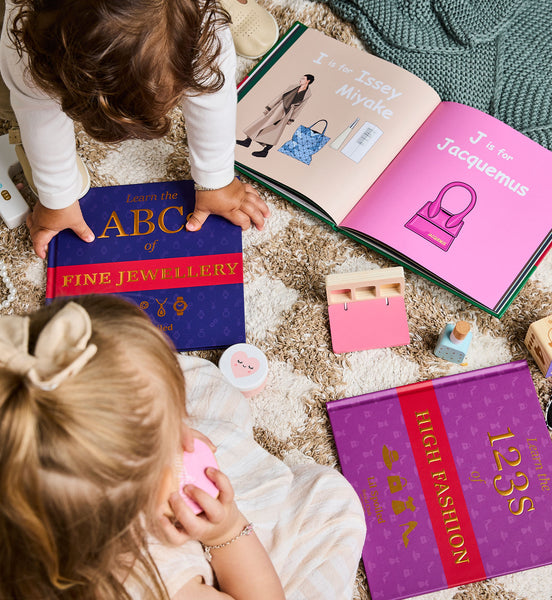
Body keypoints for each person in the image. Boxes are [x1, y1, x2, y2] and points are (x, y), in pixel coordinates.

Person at [0, 294, 366, 599]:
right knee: (334, 505)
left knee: (201, 383)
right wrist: (226, 532)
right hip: (225, 552)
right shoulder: (157, 581)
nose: (187, 437)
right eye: (171, 439)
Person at [0, 0, 270, 260]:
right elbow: (36, 110)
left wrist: (216, 180)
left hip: (190, 19)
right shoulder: (26, 42)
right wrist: (57, 198)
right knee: (17, 93)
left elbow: (214, 95)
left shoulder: (203, 29)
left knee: (206, 60)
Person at [236, 74, 314, 158]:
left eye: (303, 78)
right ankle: (247, 141)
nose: (300, 79)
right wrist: (269, 106)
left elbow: (299, 108)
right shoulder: (293, 87)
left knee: (274, 132)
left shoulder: (307, 94)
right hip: (277, 108)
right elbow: (279, 97)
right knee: (262, 123)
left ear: (308, 81)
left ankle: (265, 151)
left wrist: (291, 119)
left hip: (286, 114)